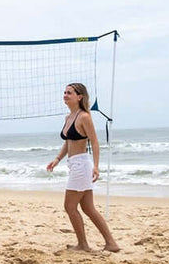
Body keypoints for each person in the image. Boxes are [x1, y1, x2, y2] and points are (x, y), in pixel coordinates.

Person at [46, 83, 119, 252]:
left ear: (79, 97)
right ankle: (111, 243)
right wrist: (57, 159)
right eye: (64, 92)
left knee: (70, 207)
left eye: (69, 93)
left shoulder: (84, 116)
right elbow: (68, 142)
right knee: (88, 208)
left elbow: (94, 141)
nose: (65, 95)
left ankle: (83, 245)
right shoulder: (68, 117)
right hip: (74, 164)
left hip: (82, 165)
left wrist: (96, 166)